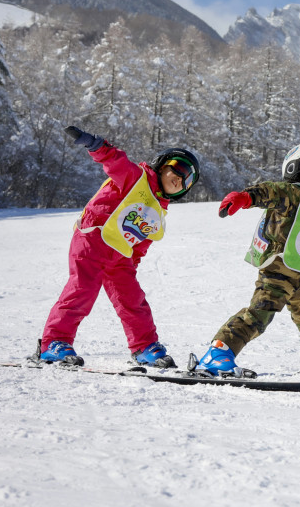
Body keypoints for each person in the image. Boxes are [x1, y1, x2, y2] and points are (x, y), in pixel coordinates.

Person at [36, 126, 200, 368]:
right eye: (180, 168)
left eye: (188, 181)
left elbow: (142, 241)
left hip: (120, 256)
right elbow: (115, 161)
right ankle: (54, 342)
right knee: (82, 290)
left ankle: (144, 346)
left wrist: (132, 262)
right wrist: (95, 145)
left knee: (133, 299)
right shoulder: (137, 179)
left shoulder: (158, 210)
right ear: (162, 164)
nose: (181, 178)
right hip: (93, 239)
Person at [196, 142, 300, 378]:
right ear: (296, 168)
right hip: (277, 270)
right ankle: (218, 353)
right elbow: (269, 192)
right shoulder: (292, 195)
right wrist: (245, 198)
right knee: (259, 313)